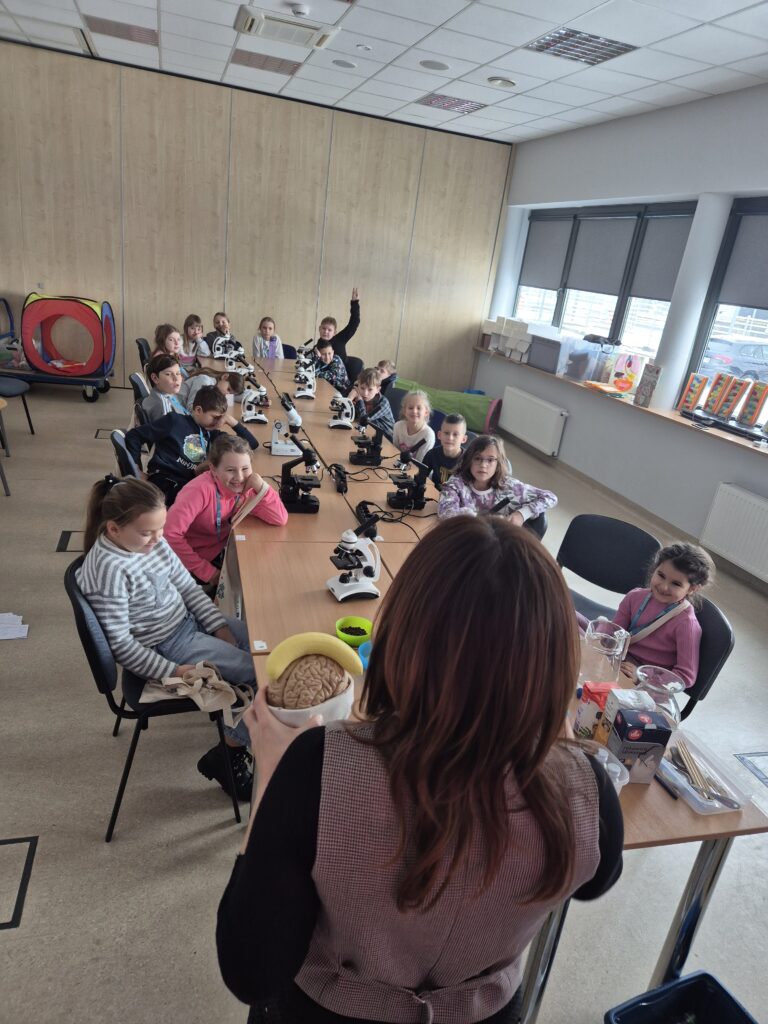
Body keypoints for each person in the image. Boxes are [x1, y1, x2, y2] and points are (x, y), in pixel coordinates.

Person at [216, 517, 623, 1021]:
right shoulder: (587, 786)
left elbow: (251, 971)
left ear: (401, 635)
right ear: (555, 663)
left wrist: (271, 777)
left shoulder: (317, 765)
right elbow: (597, 881)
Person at [77, 476, 255, 800]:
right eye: (148, 532)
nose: (158, 539)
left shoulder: (150, 542)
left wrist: (219, 626)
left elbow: (187, 587)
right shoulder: (109, 570)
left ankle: (246, 737)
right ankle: (229, 753)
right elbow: (121, 645)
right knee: (262, 672)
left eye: (161, 528)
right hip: (168, 646)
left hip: (187, 624)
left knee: (266, 642)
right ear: (114, 529)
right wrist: (173, 671)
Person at [165, 435, 288, 588]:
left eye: (245, 468)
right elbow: (170, 534)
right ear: (213, 469)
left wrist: (262, 487)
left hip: (222, 548)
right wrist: (208, 572)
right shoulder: (198, 491)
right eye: (230, 470)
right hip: (190, 558)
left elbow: (280, 518)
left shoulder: (246, 486)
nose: (239, 477)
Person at [124, 385, 258, 507]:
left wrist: (231, 421)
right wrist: (135, 468)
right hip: (166, 481)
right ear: (198, 410)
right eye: (215, 417)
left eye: (221, 418)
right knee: (216, 501)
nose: (219, 422)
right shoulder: (174, 421)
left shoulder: (212, 434)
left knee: (230, 497)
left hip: (192, 483)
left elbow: (250, 445)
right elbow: (133, 436)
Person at [612, 542, 714, 688]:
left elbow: (686, 676)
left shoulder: (686, 623)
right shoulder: (634, 597)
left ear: (692, 589)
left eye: (676, 584)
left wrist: (643, 677)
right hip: (617, 661)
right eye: (661, 575)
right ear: (655, 569)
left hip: (645, 684)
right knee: (577, 624)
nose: (664, 587)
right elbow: (613, 632)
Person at [438, 435, 557, 525]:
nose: (483, 465)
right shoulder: (457, 483)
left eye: (490, 460)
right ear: (469, 460)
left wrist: (522, 514)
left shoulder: (512, 488)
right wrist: (484, 518)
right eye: (477, 458)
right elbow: (445, 513)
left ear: (498, 463)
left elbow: (549, 497)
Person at [422, 413, 468, 489]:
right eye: (446, 433)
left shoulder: (469, 460)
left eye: (455, 434)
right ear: (439, 435)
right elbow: (421, 477)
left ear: (464, 439)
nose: (450, 438)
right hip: (435, 493)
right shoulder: (432, 454)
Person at [316, 287, 359, 362]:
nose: (326, 332)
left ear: (334, 332)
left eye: (329, 330)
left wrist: (354, 303)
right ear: (319, 328)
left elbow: (354, 322)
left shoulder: (340, 338)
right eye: (323, 328)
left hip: (341, 369)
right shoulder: (318, 345)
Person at [141, 353, 187, 421]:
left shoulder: (164, 394)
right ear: (155, 378)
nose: (176, 378)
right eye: (168, 374)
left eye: (178, 373)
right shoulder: (163, 404)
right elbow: (170, 427)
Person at [392, 389, 435, 458]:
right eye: (410, 408)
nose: (414, 411)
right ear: (404, 411)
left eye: (419, 408)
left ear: (426, 413)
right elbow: (393, 451)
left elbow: (419, 462)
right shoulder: (398, 426)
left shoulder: (428, 435)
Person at [179, 367, 245, 412]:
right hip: (176, 409)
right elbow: (191, 409)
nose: (227, 394)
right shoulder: (204, 381)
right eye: (228, 389)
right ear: (224, 377)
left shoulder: (216, 388)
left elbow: (240, 397)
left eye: (231, 394)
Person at [353, 366, 394, 439]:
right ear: (358, 386)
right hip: (367, 433)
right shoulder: (360, 396)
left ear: (378, 390)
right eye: (362, 388)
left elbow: (363, 420)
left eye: (370, 389)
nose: (365, 393)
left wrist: (359, 401)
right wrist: (350, 398)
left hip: (386, 438)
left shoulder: (383, 403)